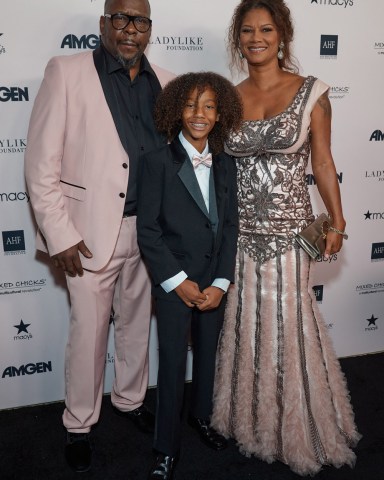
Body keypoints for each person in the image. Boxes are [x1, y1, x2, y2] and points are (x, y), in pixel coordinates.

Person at [211, 0, 361, 476]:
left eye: (266, 30)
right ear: (239, 39)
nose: (257, 38)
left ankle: (302, 429)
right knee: (245, 325)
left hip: (290, 237)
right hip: (239, 237)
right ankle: (251, 424)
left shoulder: (311, 92)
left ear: (282, 36)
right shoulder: (228, 97)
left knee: (289, 324)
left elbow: (322, 163)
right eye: (248, 31)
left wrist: (336, 222)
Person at [24, 0, 174, 473]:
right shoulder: (66, 72)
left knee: (136, 325)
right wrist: (59, 234)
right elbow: (40, 165)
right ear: (104, 22)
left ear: (150, 28)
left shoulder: (166, 81)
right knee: (88, 332)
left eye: (141, 21)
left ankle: (130, 401)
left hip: (149, 231)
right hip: (86, 234)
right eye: (122, 18)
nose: (131, 29)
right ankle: (79, 422)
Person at [136, 72, 242, 480]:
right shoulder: (156, 162)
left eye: (209, 106)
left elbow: (230, 226)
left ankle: (202, 418)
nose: (199, 114)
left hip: (213, 282)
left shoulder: (226, 164)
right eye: (191, 105)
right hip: (173, 283)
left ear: (220, 115)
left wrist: (220, 283)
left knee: (209, 358)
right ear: (176, 110)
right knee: (172, 361)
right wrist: (176, 281)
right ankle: (166, 447)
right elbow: (148, 230)